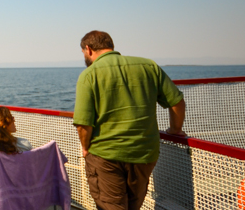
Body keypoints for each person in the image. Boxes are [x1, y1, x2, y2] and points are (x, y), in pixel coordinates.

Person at [73, 30, 186, 210]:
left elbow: (83, 124)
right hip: (143, 154)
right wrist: (175, 129)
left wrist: (85, 147)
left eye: (83, 53)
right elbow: (177, 102)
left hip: (106, 156)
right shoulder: (148, 66)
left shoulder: (89, 75)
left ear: (88, 49)